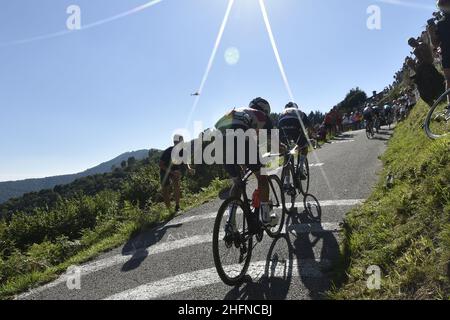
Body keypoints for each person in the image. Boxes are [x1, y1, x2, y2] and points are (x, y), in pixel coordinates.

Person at [215, 97, 278, 227]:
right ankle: (266, 217)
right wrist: (281, 147)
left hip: (220, 141)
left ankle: (230, 223)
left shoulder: (241, 111)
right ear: (265, 110)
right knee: (263, 177)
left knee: (238, 182)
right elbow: (274, 140)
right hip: (240, 138)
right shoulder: (261, 115)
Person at [278, 102, 312, 185]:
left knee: (287, 154)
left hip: (283, 131)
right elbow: (309, 126)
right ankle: (300, 168)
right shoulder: (299, 111)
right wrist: (310, 137)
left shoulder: (282, 113)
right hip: (295, 129)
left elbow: (278, 127)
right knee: (304, 147)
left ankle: (286, 183)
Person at [159, 135, 194, 213]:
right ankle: (169, 210)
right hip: (165, 170)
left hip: (175, 169)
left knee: (177, 185)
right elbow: (161, 165)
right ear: (175, 142)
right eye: (181, 141)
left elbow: (185, 161)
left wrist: (188, 168)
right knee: (165, 190)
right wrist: (171, 172)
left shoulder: (183, 151)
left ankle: (177, 206)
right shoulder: (168, 151)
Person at [408, 37, 445, 106]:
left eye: (412, 43)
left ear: (415, 40)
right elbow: (420, 59)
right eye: (411, 45)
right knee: (418, 79)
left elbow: (427, 57)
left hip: (427, 64)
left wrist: (419, 52)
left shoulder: (421, 45)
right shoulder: (416, 49)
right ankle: (430, 100)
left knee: (423, 77)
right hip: (423, 67)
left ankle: (433, 97)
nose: (412, 45)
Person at [429, 0, 450, 110]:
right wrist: (431, 33)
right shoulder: (440, 24)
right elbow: (436, 43)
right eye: (442, 5)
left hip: (446, 53)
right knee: (448, 79)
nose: (445, 6)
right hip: (447, 53)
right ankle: (449, 104)